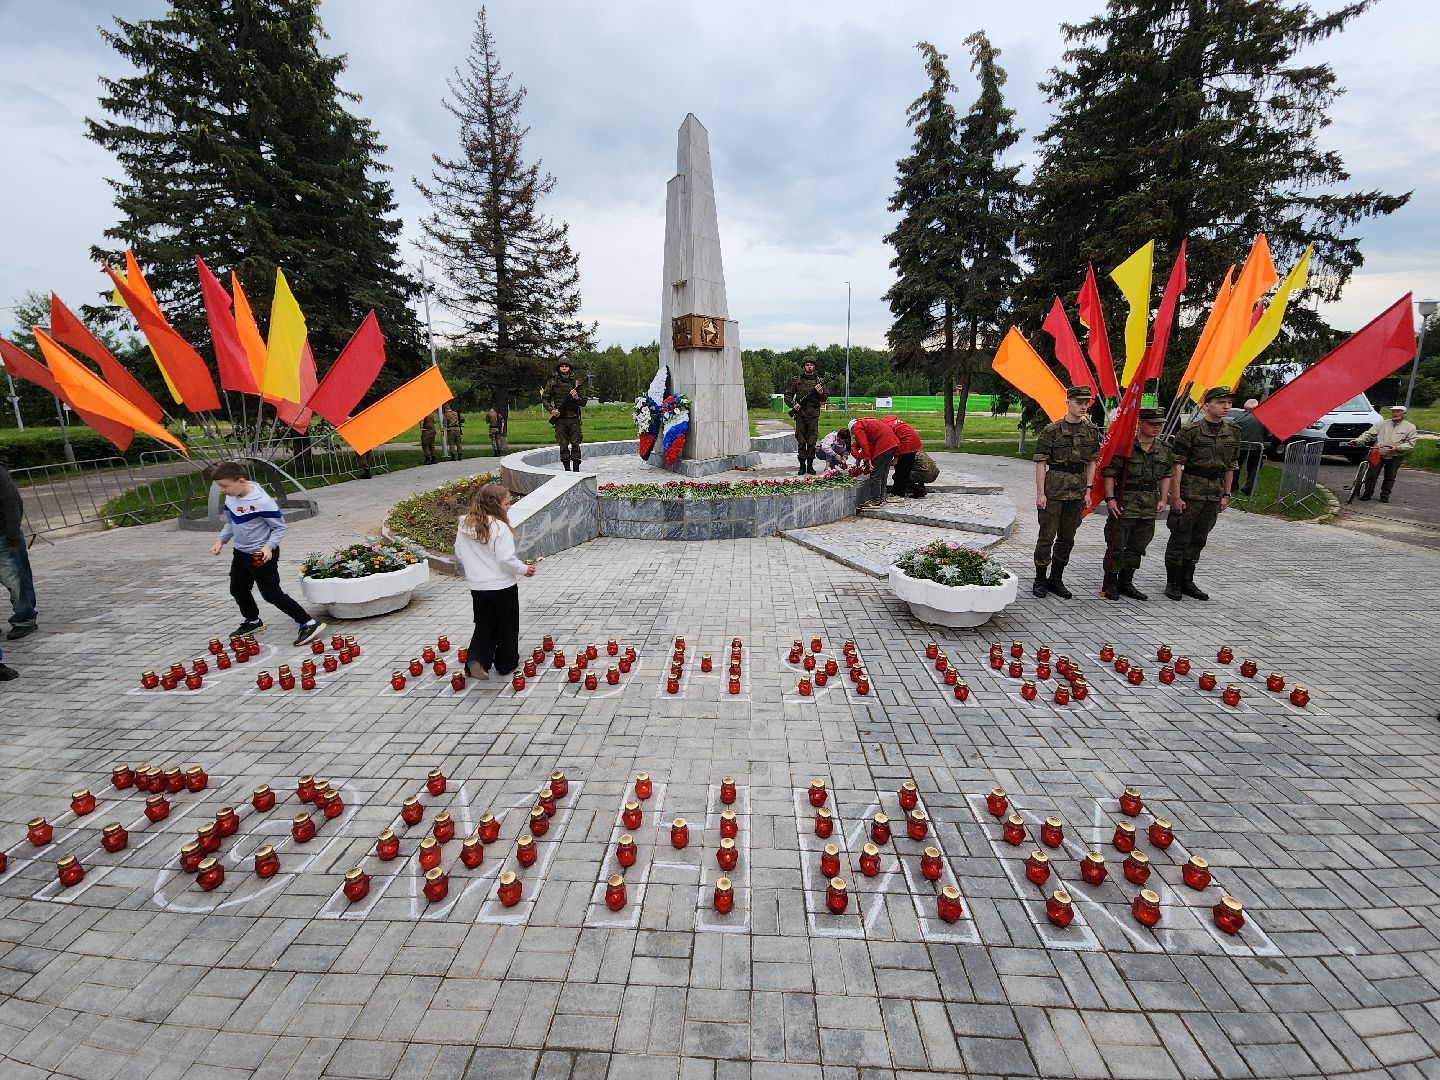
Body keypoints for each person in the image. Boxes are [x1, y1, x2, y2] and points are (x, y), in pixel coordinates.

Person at [208, 461, 325, 646]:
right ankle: (253, 621)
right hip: (240, 552)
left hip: (261, 555)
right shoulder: (231, 497)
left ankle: (308, 622)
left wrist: (268, 547)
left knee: (271, 594)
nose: (222, 490)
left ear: (241, 481)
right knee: (238, 589)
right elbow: (231, 523)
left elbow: (279, 528)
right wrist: (220, 540)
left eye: (224, 486)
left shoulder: (262, 502)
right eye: (219, 487)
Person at [1163, 386, 1241, 601]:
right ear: (1207, 406)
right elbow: (1176, 465)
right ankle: (1173, 581)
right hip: (1191, 491)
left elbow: (1231, 465)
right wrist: (1176, 496)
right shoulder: (1191, 431)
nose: (1226, 407)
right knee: (1180, 536)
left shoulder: (1233, 432)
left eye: (1228, 403)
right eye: (1220, 403)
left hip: (1213, 493)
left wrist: (1226, 494)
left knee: (1199, 538)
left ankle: (1188, 580)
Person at [454, 481, 535, 681]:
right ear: (494, 504)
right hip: (501, 585)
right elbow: (505, 559)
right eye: (506, 504)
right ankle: (506, 663)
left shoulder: (465, 524)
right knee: (507, 623)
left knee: (485, 623)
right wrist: (524, 569)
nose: (509, 507)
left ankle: (476, 660)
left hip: (477, 586)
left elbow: (459, 552)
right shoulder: (499, 528)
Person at [1032, 386, 1102, 599]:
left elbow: (1091, 462)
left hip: (1077, 490)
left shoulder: (1090, 432)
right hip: (1054, 488)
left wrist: (1089, 490)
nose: (1083, 407)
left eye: (1086, 403)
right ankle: (1040, 578)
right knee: (1047, 536)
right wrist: (1040, 493)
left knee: (1067, 538)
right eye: (1079, 402)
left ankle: (1056, 578)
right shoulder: (1051, 431)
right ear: (1068, 402)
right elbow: (1041, 463)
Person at [1100, 408, 1172, 601]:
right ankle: (1111, 582)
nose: (1157, 427)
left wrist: (1164, 499)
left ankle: (1126, 581)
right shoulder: (1125, 446)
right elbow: (1109, 473)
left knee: (1138, 545)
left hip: (1149, 504)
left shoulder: (1164, 448)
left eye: (1160, 424)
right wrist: (1110, 499)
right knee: (1117, 544)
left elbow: (1166, 475)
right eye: (1153, 424)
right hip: (1126, 502)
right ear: (1141, 423)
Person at [1348, 404, 1418, 503]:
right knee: (1371, 474)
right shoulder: (1382, 423)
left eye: (1398, 412)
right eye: (1394, 412)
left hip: (1396, 454)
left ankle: (1385, 496)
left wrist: (1398, 448)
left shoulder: (1410, 427)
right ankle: (1367, 494)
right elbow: (1369, 434)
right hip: (1378, 452)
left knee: (1390, 476)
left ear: (1404, 414)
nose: (1395, 414)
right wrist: (1358, 441)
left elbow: (1411, 443)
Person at [0, 465, 38, 640]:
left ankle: (25, 619)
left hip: (4, 536)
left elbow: (13, 502)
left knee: (16, 580)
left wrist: (13, 535)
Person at [834, 417, 899, 508]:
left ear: (851, 429)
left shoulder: (857, 427)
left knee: (875, 475)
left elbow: (864, 444)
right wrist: (861, 459)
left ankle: (875, 500)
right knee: (883, 473)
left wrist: (868, 459)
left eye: (852, 434)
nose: (853, 436)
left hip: (884, 445)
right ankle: (882, 497)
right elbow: (869, 446)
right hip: (892, 444)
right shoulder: (866, 424)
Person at [785, 356, 828, 474]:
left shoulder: (818, 382)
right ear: (804, 367)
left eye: (812, 365)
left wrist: (821, 393)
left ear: (814, 367)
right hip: (800, 415)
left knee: (812, 441)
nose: (810, 367)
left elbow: (824, 399)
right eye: (807, 365)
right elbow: (787, 395)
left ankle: (810, 465)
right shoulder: (797, 380)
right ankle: (802, 465)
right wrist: (794, 405)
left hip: (813, 415)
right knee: (801, 440)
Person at [542, 361, 587, 471]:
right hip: (560, 419)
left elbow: (584, 402)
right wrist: (552, 410)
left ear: (570, 368)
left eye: (566, 366)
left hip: (574, 419)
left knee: (576, 444)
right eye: (562, 366)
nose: (564, 368)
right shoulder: (553, 382)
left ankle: (576, 470)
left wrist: (576, 397)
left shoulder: (576, 383)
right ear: (559, 368)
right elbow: (545, 398)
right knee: (563, 445)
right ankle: (567, 470)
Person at [878, 415, 922, 496]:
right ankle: (896, 491)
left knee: (902, 471)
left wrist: (897, 457)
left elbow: (895, 442)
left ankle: (899, 494)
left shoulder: (888, 428)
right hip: (912, 443)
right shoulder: (889, 423)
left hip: (908, 446)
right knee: (900, 470)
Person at [1233, 398, 1266, 496]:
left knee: (1236, 467)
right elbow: (1267, 434)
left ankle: (1233, 486)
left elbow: (1233, 430)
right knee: (1254, 467)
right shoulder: (1261, 419)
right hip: (1256, 447)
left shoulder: (1239, 417)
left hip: (1240, 446)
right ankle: (1249, 487)